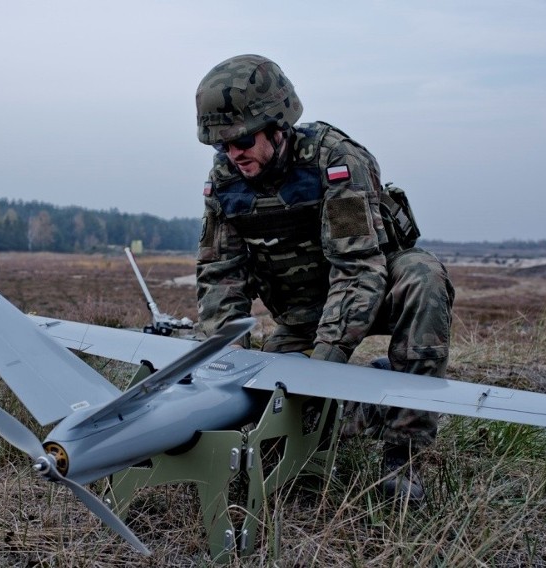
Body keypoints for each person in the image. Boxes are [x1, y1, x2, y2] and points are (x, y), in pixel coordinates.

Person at [194, 54, 455, 501]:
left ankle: (403, 456)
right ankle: (380, 394)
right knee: (277, 427)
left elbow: (358, 271)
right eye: (222, 144)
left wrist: (325, 366)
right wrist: (225, 361)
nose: (234, 153)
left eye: (242, 139)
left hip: (370, 295)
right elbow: (221, 274)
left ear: (278, 124)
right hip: (300, 314)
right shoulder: (226, 180)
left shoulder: (335, 161)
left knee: (422, 274)